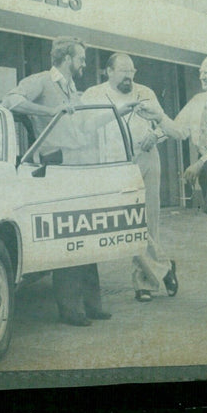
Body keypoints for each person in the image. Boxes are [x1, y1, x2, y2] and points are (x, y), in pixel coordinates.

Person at [1, 37, 110, 326]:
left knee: (88, 232)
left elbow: (80, 124)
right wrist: (50, 112)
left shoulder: (73, 87)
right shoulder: (40, 81)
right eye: (81, 58)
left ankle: (92, 303)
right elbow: (10, 100)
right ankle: (72, 309)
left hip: (79, 163)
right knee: (70, 237)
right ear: (66, 58)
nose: (84, 64)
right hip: (57, 164)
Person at [137, 54, 207, 304]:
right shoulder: (198, 101)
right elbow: (178, 130)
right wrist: (157, 121)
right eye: (201, 71)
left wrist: (199, 163)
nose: (203, 76)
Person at [82, 53, 178, 303]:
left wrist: (155, 136)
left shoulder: (146, 92)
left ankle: (142, 282)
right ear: (108, 72)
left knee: (149, 220)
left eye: (132, 71)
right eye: (123, 71)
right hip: (115, 164)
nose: (128, 76)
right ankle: (165, 266)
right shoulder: (94, 93)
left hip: (147, 158)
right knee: (128, 221)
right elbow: (83, 126)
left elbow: (164, 125)